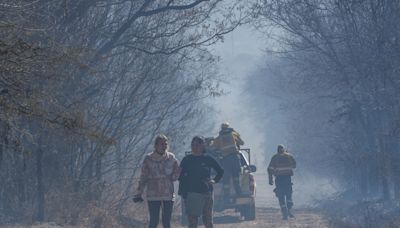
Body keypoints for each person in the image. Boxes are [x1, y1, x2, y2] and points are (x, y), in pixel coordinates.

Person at [133, 134, 180, 228]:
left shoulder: (171, 158)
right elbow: (143, 177)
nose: (164, 146)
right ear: (156, 146)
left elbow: (176, 174)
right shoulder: (148, 158)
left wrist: (176, 174)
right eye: (161, 144)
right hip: (153, 194)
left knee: (166, 221)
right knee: (154, 221)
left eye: (165, 144)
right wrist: (139, 192)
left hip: (168, 194)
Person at [178, 136, 224, 228]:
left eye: (198, 144)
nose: (195, 147)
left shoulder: (208, 158)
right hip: (191, 195)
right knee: (192, 223)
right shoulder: (186, 159)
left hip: (206, 193)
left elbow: (220, 171)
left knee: (207, 221)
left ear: (203, 146)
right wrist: (183, 194)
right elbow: (181, 177)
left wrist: (214, 180)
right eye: (193, 144)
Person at [211, 122, 244, 202]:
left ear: (221, 128)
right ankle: (239, 193)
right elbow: (242, 143)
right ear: (229, 127)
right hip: (236, 158)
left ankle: (226, 197)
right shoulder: (234, 134)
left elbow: (212, 148)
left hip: (226, 160)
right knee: (236, 177)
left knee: (226, 179)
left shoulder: (219, 138)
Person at [268, 144, 297, 220]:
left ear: (277, 150)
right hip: (287, 178)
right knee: (288, 193)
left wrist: (270, 179)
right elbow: (294, 165)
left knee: (280, 195)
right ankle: (289, 209)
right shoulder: (289, 156)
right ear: (283, 149)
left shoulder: (275, 157)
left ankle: (285, 213)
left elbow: (270, 169)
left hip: (279, 179)